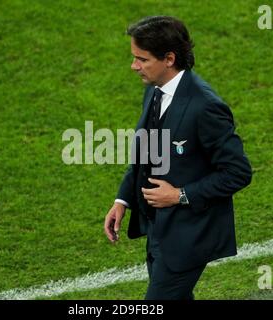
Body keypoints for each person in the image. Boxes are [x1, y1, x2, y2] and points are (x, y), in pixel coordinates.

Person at [104, 16, 252, 300]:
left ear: (169, 58)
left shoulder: (205, 106)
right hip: (158, 227)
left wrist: (180, 195)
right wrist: (123, 200)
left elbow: (238, 172)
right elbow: (145, 149)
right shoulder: (155, 91)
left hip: (189, 235)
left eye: (141, 59)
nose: (134, 66)